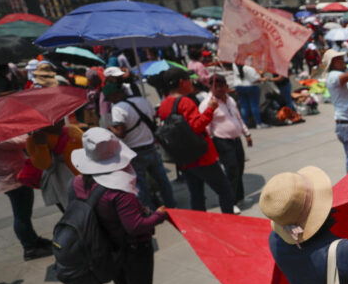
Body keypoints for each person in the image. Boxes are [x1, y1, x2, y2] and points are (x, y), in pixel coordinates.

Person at [70, 128, 180, 284]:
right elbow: (136, 225)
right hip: (132, 248)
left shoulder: (79, 182)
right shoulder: (119, 192)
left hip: (108, 246)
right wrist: (160, 214)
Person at [156, 66, 235, 214]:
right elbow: (197, 126)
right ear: (182, 82)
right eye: (189, 80)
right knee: (225, 190)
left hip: (184, 158)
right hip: (201, 157)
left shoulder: (164, 104)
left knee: (196, 194)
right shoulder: (185, 102)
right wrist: (210, 108)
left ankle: (201, 227)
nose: (192, 83)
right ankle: (230, 222)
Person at [105, 67, 177, 210]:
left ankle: (149, 211)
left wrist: (109, 129)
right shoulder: (143, 100)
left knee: (141, 184)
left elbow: (121, 133)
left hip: (135, 150)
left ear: (114, 95)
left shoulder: (118, 108)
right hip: (151, 146)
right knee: (162, 179)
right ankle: (171, 205)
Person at [0, 134, 54, 260]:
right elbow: (16, 142)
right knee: (21, 215)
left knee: (24, 212)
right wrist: (28, 135)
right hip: (11, 176)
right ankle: (30, 247)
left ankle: (33, 240)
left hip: (11, 172)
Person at [199, 74, 252, 211]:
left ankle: (240, 197)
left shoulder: (230, 100)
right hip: (221, 141)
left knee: (240, 168)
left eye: (221, 86)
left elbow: (238, 118)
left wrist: (247, 134)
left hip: (236, 140)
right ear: (210, 87)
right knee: (232, 170)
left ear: (226, 86)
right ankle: (231, 202)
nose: (219, 89)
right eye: (215, 86)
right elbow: (206, 127)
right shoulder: (207, 104)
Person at [26, 120, 83, 212]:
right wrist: (42, 146)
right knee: (74, 214)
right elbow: (43, 165)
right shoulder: (33, 141)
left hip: (85, 179)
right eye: (56, 119)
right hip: (61, 184)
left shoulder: (72, 130)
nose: (62, 119)